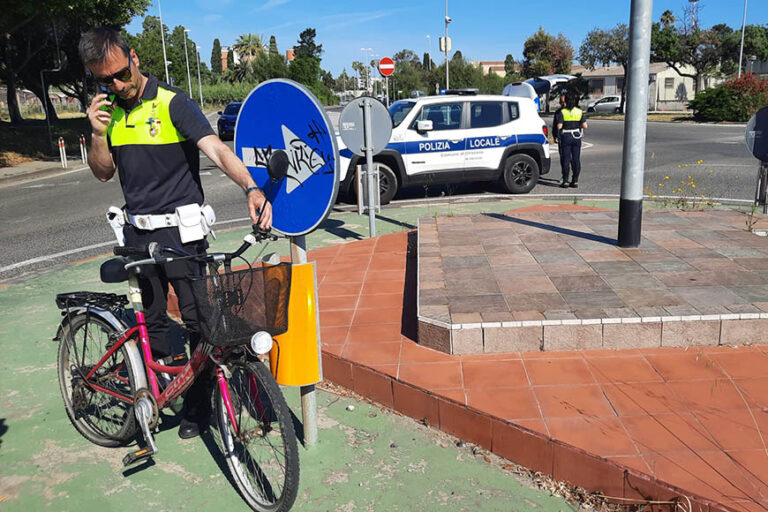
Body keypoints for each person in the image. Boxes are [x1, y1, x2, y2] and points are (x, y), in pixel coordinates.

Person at [79, 27, 272, 439]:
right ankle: (167, 389)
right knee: (152, 323)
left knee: (200, 322)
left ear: (134, 58)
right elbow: (102, 172)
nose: (116, 85)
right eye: (104, 80)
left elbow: (216, 148)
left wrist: (250, 187)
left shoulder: (172, 103)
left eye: (120, 74)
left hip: (182, 236)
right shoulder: (109, 112)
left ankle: (197, 407)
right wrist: (97, 134)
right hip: (137, 235)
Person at [554, 91, 588, 188]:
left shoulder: (563, 112)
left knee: (566, 158)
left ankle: (565, 181)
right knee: (576, 159)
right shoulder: (579, 111)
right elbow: (585, 125)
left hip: (566, 136)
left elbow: (559, 126)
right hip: (576, 136)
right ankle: (575, 180)